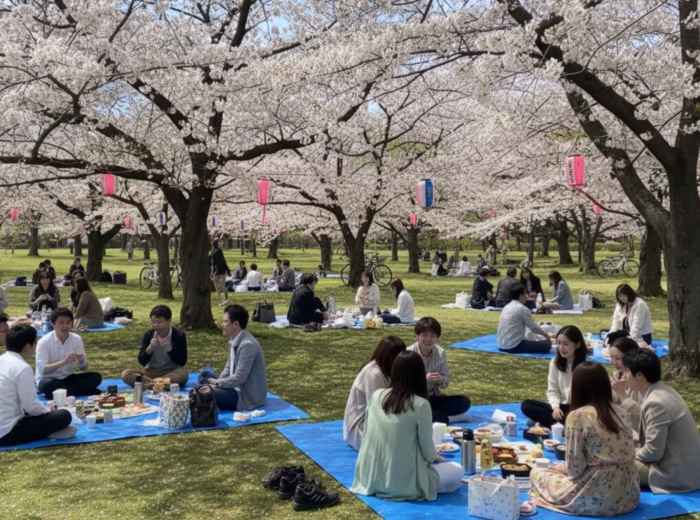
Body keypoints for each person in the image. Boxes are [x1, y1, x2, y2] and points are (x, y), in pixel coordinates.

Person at [530, 362, 639, 516]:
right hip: (629, 494)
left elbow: (575, 469)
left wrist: (560, 469)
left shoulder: (578, 416)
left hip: (599, 493)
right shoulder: (621, 411)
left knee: (537, 473)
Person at [351, 351, 463, 500]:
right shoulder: (421, 404)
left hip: (369, 475)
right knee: (457, 470)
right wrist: (438, 459)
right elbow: (428, 453)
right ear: (419, 374)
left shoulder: (377, 395)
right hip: (402, 480)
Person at [623, 350, 700, 493]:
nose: (624, 376)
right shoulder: (663, 390)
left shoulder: (656, 402)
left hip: (676, 475)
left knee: (612, 464)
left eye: (626, 371)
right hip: (688, 469)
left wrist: (628, 452)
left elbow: (653, 453)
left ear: (639, 375)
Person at [0, 325, 74, 446]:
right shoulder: (22, 368)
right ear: (28, 346)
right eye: (35, 343)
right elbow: (31, 407)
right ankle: (48, 432)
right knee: (64, 415)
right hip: (7, 432)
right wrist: (47, 411)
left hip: (6, 422)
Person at [343, 336, 407, 450]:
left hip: (378, 418)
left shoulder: (388, 369)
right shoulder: (374, 374)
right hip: (362, 424)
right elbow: (378, 409)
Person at [407, 317, 470, 423]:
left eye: (433, 336)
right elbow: (403, 384)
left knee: (464, 402)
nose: (428, 339)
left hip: (432, 397)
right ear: (417, 336)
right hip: (414, 400)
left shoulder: (440, 353)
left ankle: (435, 416)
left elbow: (445, 383)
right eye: (425, 335)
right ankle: (442, 418)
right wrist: (424, 379)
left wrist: (440, 379)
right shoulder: (409, 353)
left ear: (437, 338)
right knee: (419, 412)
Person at [521, 325, 587, 427]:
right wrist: (556, 408)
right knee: (526, 405)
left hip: (577, 411)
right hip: (560, 408)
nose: (561, 348)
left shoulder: (585, 367)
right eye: (559, 343)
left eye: (566, 344)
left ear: (577, 345)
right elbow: (552, 390)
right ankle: (557, 424)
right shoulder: (555, 362)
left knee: (575, 420)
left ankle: (552, 423)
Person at [206, 305, 268, 411]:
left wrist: (217, 383)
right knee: (204, 375)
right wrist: (218, 382)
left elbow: (240, 378)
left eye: (225, 322)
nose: (222, 325)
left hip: (245, 396)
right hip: (234, 386)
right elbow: (228, 367)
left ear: (236, 324)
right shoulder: (234, 339)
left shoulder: (247, 345)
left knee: (205, 391)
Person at [35, 308, 102, 398]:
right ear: (53, 324)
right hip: (49, 379)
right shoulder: (44, 342)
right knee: (47, 385)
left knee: (96, 377)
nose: (65, 326)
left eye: (68, 322)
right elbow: (43, 370)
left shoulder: (76, 339)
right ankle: (80, 391)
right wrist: (63, 362)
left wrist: (81, 360)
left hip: (68, 378)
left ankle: (63, 393)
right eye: (61, 323)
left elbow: (84, 368)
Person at [121, 305, 189, 388]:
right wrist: (149, 349)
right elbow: (142, 361)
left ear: (169, 321)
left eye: (159, 322)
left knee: (183, 374)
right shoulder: (149, 335)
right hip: (150, 372)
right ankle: (159, 385)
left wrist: (169, 349)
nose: (156, 325)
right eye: (153, 322)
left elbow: (182, 361)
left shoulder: (179, 335)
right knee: (126, 374)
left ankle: (152, 385)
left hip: (171, 372)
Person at [497, 285, 552, 353]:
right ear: (520, 296)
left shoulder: (506, 307)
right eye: (525, 294)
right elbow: (534, 328)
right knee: (547, 345)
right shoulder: (522, 309)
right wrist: (546, 335)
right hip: (514, 346)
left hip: (501, 344)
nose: (527, 297)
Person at [608, 337, 642, 433]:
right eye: (611, 357)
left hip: (636, 433)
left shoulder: (640, 381)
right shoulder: (617, 375)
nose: (613, 362)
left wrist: (621, 393)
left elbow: (641, 415)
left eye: (618, 358)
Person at [209, 240, 231, 305]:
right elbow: (214, 263)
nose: (221, 244)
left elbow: (223, 262)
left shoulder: (218, 251)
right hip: (218, 271)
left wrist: (228, 270)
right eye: (220, 243)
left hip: (220, 271)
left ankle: (225, 300)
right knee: (219, 286)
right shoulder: (215, 252)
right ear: (216, 244)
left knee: (221, 286)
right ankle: (223, 300)